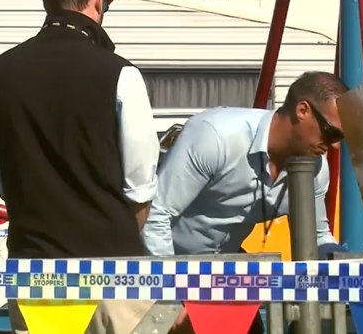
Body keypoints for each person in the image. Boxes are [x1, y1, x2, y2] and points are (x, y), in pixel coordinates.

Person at [0, 0, 159, 334]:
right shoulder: (120, 74)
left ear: (46, 3)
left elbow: (1, 180)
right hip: (113, 270)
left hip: (33, 269)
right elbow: (141, 185)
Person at [143, 71, 347, 333]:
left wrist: (359, 265)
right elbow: (156, 214)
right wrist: (168, 300)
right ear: (302, 110)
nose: (335, 147)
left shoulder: (315, 169)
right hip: (162, 266)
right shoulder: (217, 136)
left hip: (222, 271)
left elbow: (317, 240)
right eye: (331, 133)